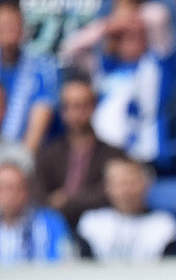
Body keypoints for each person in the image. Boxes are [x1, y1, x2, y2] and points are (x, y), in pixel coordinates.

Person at [90, 3, 175, 164]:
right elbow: (69, 50)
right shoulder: (107, 67)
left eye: (137, 36)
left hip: (144, 152)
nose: (131, 42)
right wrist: (107, 28)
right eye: (124, 37)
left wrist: (130, 19)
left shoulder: (157, 64)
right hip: (104, 153)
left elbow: (158, 17)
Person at [34, 78, 126, 228]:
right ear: (62, 111)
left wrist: (68, 199)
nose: (77, 113)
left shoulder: (112, 154)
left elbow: (109, 193)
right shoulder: (48, 153)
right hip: (54, 227)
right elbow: (38, 194)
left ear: (93, 107)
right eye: (70, 107)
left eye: (83, 106)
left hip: (98, 229)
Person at [76, 157, 176, 261]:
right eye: (120, 184)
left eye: (132, 183)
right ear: (107, 187)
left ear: (146, 184)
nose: (126, 191)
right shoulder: (91, 222)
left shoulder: (164, 224)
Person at [0, 2, 57, 155]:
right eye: (4, 25)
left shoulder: (42, 67)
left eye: (14, 24)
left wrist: (21, 161)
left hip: (23, 157)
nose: (10, 31)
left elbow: (41, 115)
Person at [0, 159, 73, 265]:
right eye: (2, 188)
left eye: (11, 188)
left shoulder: (50, 222)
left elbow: (64, 263)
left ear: (25, 191)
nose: (7, 195)